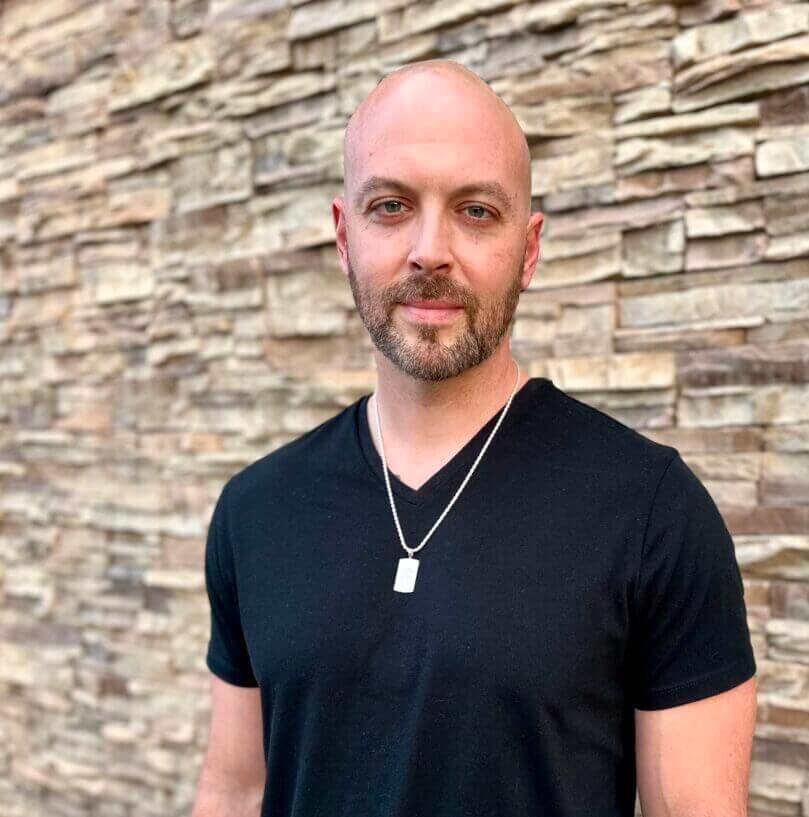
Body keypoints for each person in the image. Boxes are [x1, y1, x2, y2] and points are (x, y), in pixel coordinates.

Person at [192, 59, 757, 817]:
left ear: (529, 249)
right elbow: (236, 789)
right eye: (391, 206)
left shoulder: (652, 513)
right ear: (343, 236)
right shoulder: (256, 511)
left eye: (476, 211)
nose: (430, 249)